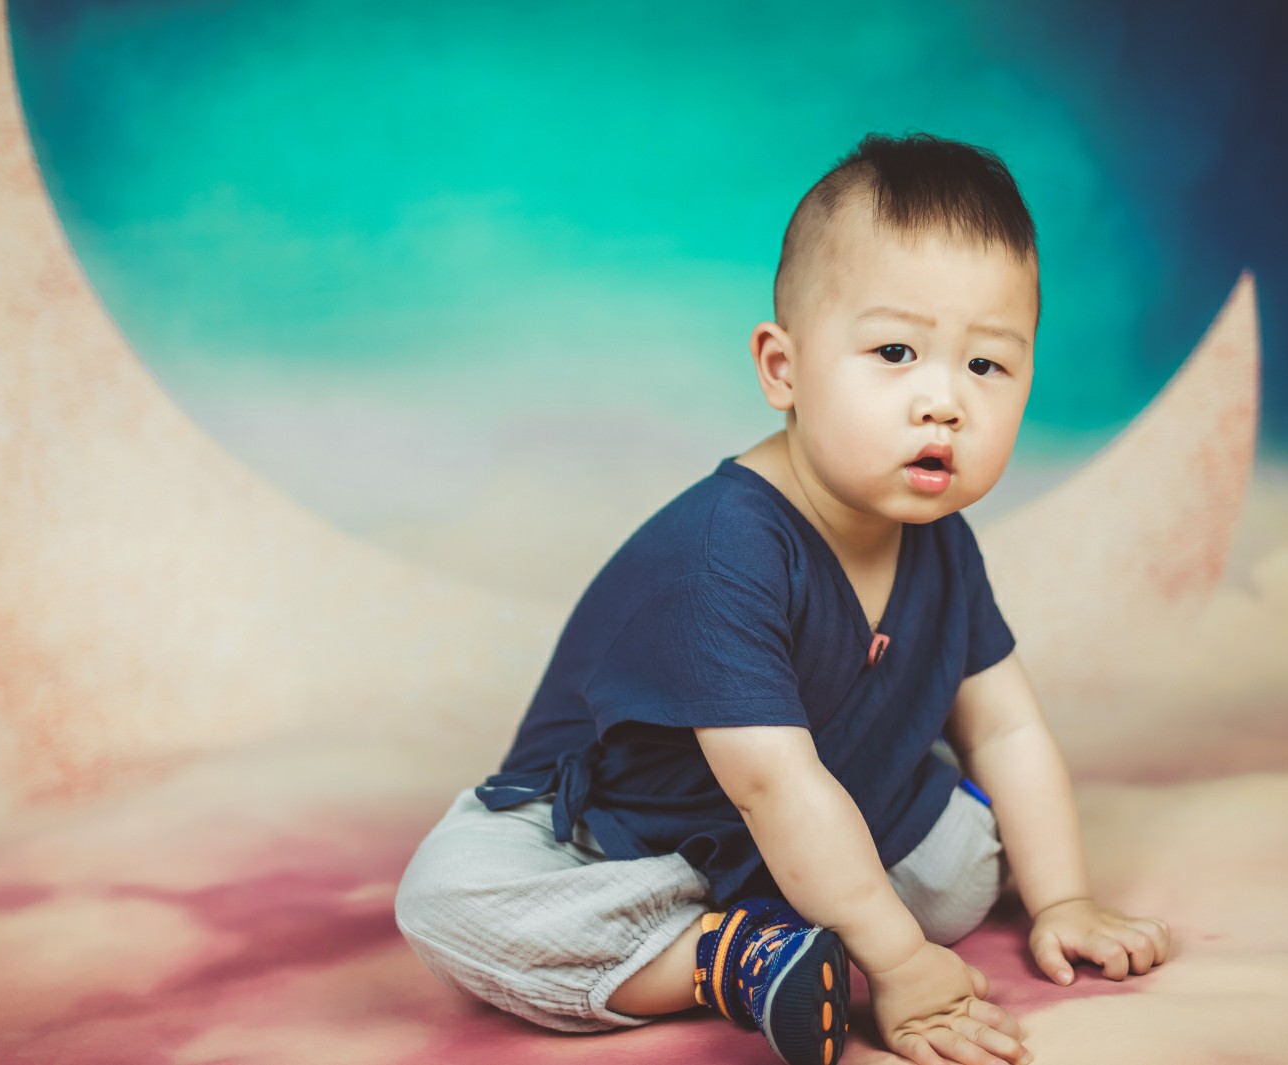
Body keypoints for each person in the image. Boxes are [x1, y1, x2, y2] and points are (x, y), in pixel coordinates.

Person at [394, 131, 1170, 1065]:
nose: (945, 402)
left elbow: (1004, 728)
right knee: (450, 896)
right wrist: (900, 962)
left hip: (816, 827)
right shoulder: (725, 549)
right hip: (625, 843)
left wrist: (1064, 898)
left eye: (987, 366)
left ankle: (810, 925)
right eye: (895, 351)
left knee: (965, 862)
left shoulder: (941, 540)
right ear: (783, 369)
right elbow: (773, 783)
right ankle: (726, 958)